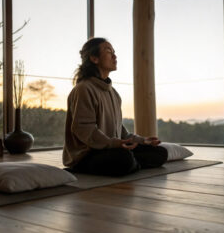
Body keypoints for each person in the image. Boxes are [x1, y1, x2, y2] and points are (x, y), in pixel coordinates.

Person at [63, 37, 168, 176]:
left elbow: (121, 132)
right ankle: (131, 163)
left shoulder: (114, 93)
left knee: (160, 153)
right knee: (123, 159)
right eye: (108, 51)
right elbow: (83, 129)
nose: (114, 55)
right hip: (86, 155)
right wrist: (114, 144)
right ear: (94, 58)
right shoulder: (84, 89)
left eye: (114, 51)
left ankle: (132, 164)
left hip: (111, 149)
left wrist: (142, 140)